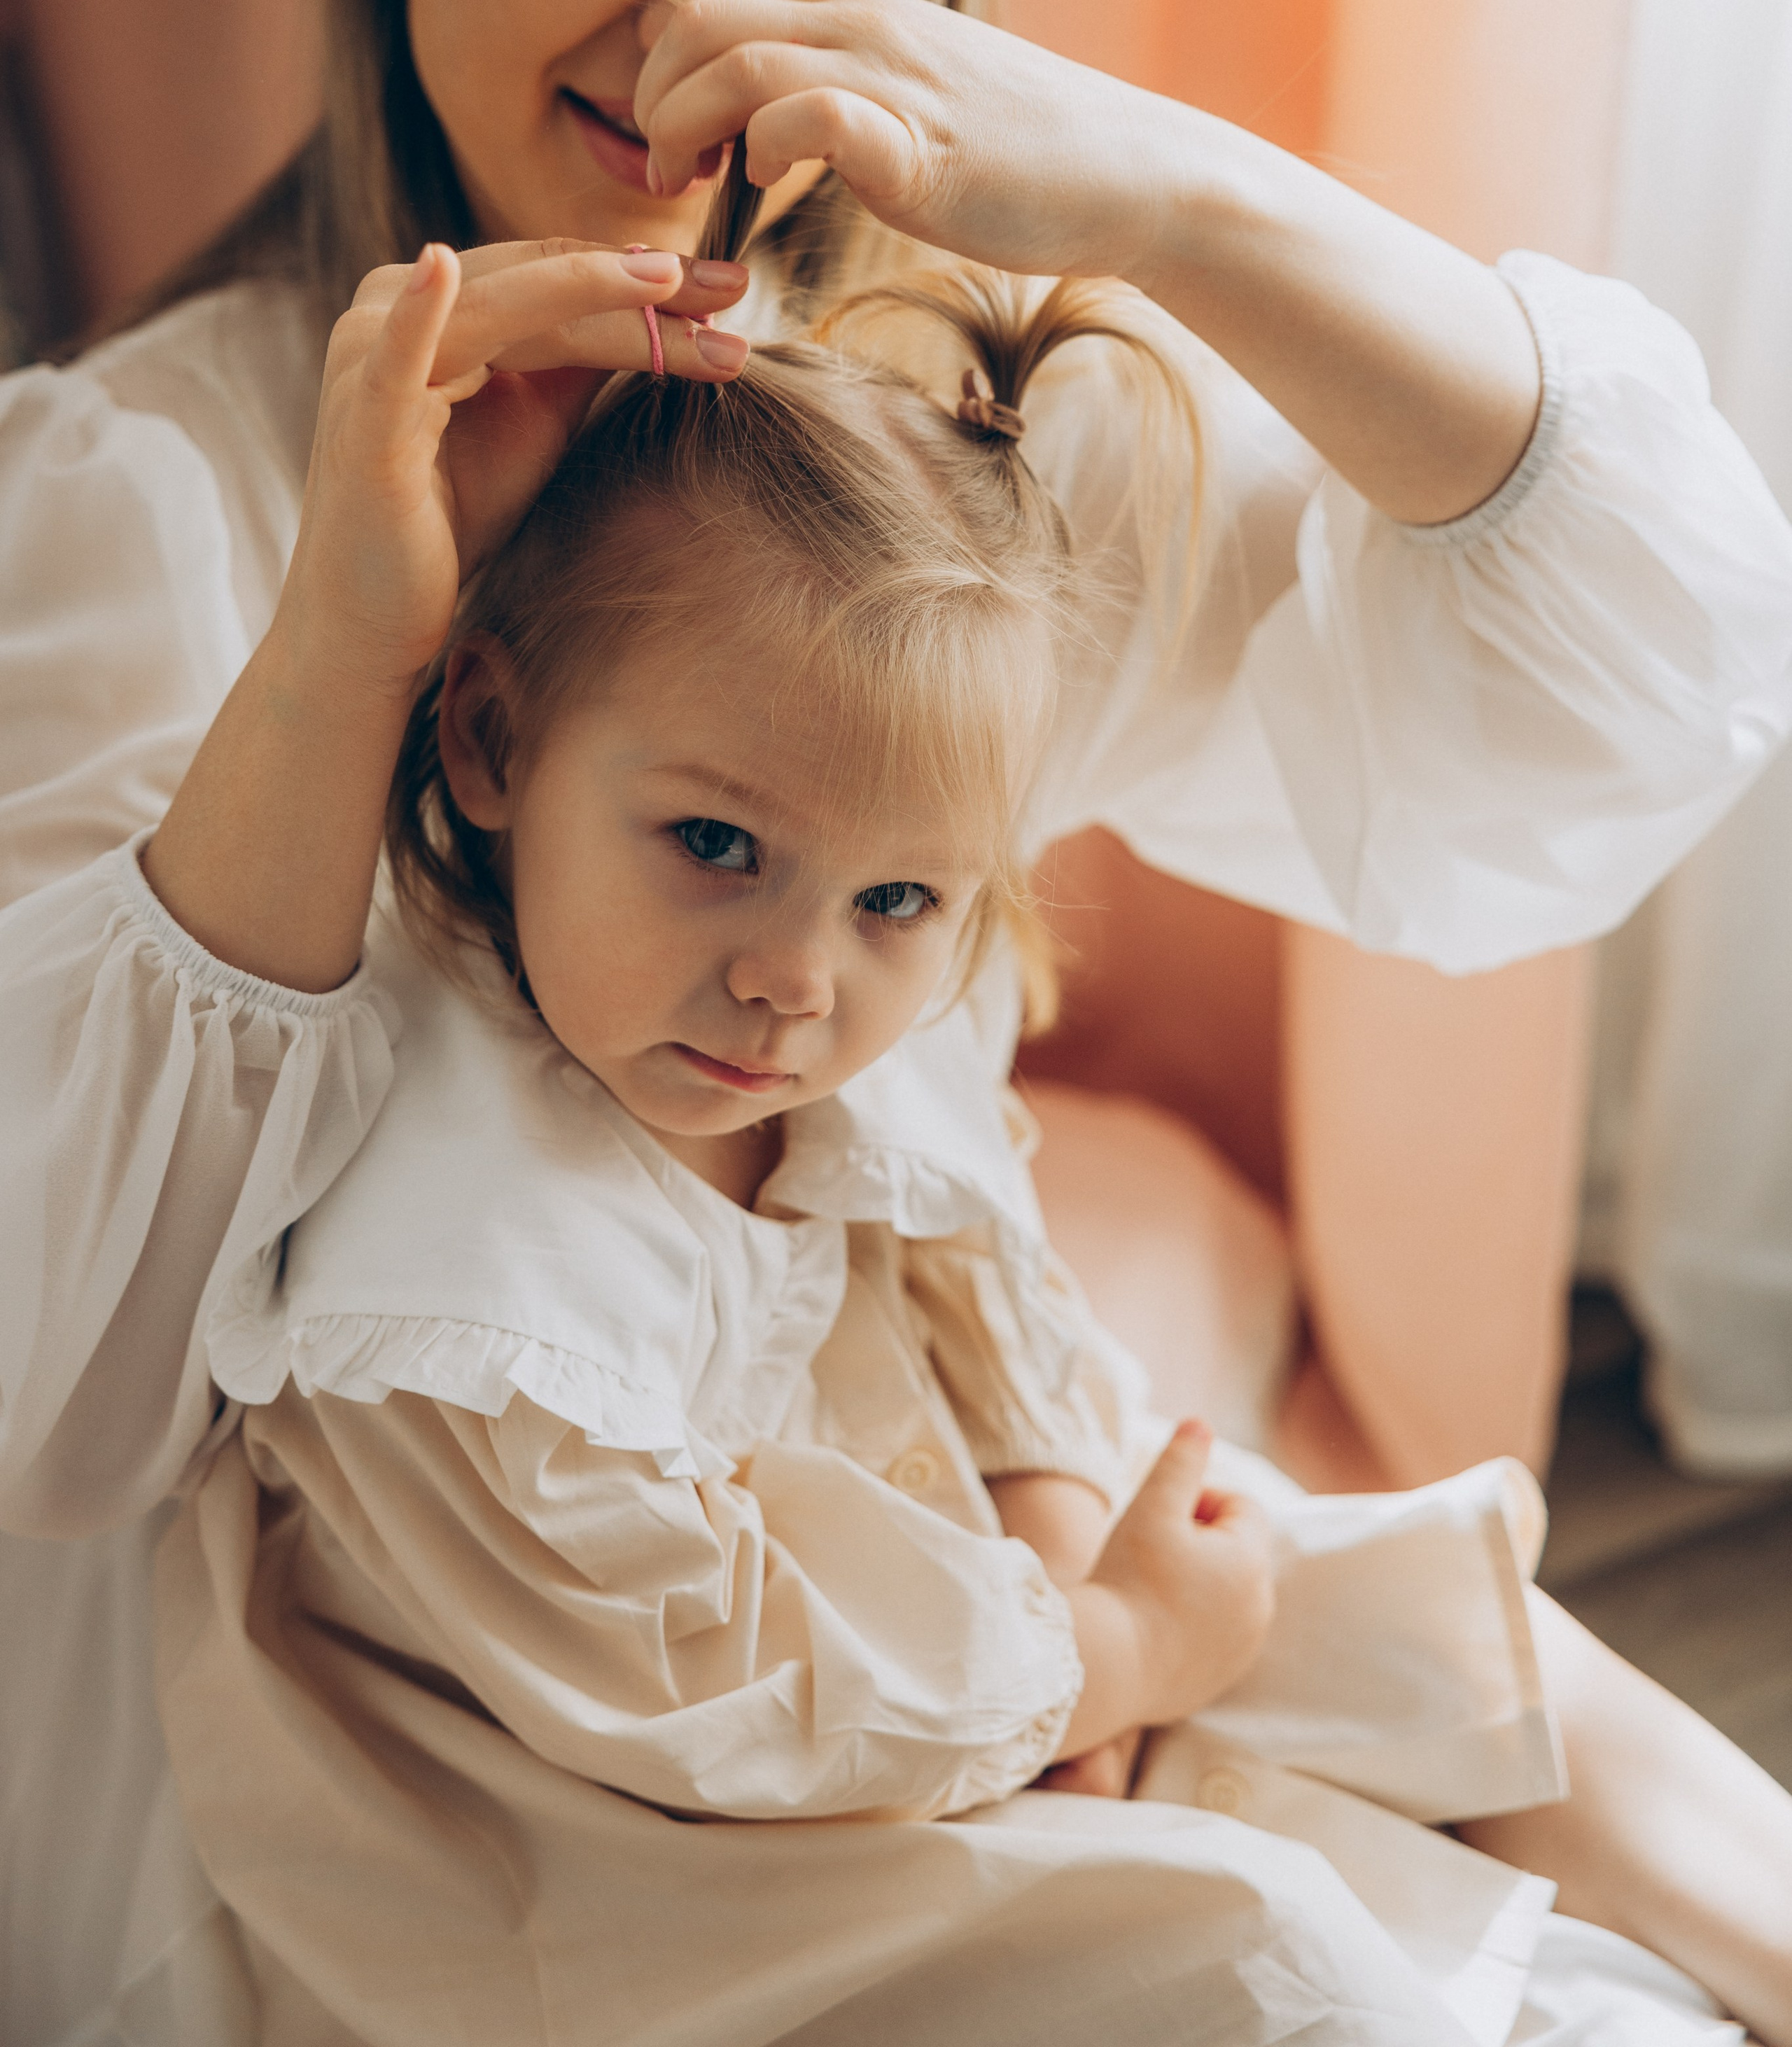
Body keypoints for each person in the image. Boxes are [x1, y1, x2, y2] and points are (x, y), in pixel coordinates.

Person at [2, 0, 1791, 2045]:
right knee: (1340, 1964)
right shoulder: (138, 492)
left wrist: (1175, 193)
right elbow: (58, 1353)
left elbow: (1616, 697)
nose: (706, 7)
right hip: (460, 1751)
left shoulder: (895, 445)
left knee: (1516, 1695)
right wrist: (343, 651)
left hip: (903, 1574)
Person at [34, 208, 1788, 2042]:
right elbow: (725, 1689)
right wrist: (1107, 1653)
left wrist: (1063, 1550)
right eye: (715, 850)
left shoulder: (839, 1012)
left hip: (920, 1628)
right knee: (1268, 1958)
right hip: (627, 1844)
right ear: (485, 744)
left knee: (1404, 1610)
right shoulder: (463, 1286)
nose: (798, 979)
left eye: (899, 904)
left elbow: (975, 1284)